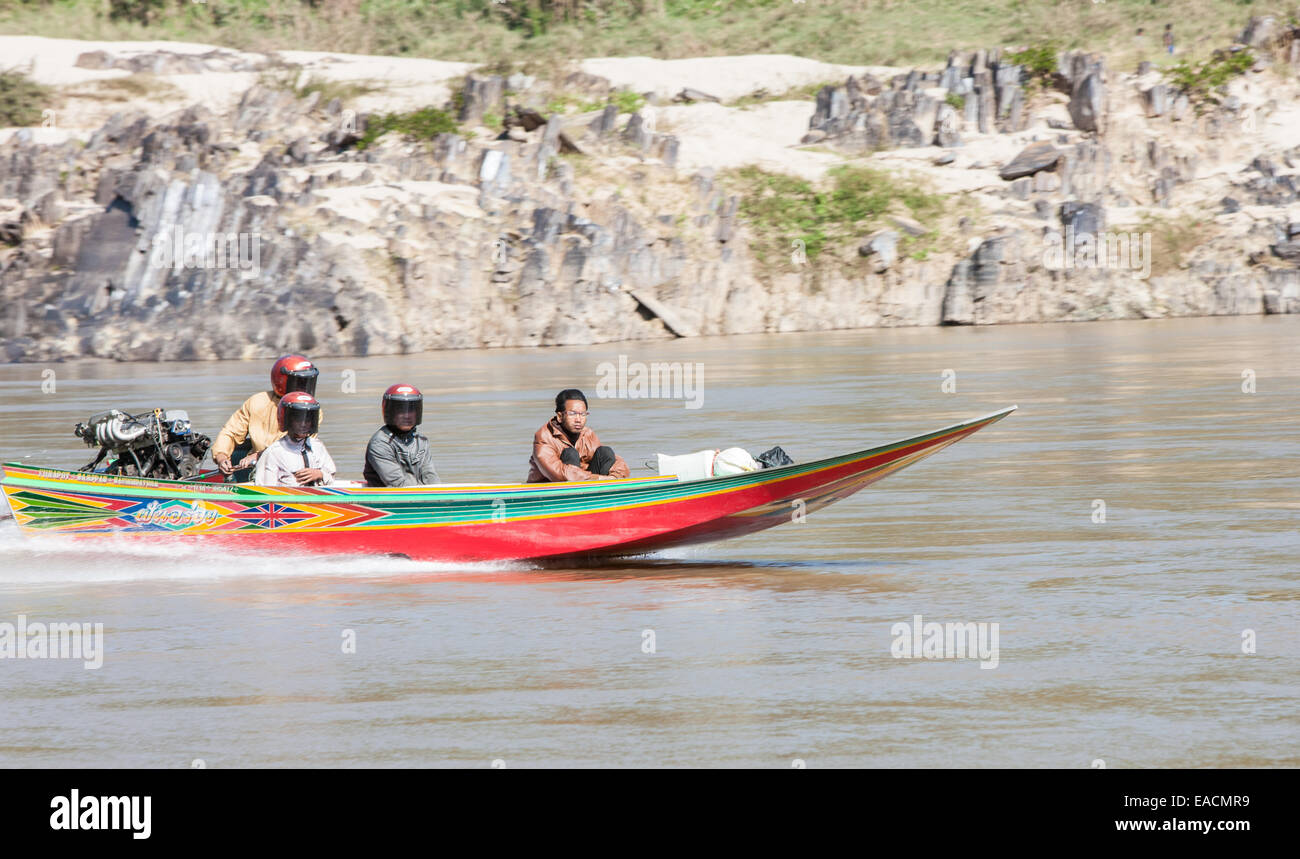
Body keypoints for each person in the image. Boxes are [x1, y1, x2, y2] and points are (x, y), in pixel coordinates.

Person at [212, 354, 319, 480]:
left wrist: (258, 455)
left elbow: (295, 445)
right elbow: (230, 432)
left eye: (307, 382)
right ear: (281, 381)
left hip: (291, 469)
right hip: (258, 469)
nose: (304, 389)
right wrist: (221, 457)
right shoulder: (257, 402)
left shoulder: (310, 408)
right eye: (300, 383)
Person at [526, 389, 629, 482]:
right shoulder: (544, 437)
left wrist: (615, 477)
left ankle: (600, 494)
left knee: (605, 452)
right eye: (572, 414)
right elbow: (558, 473)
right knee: (570, 453)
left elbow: (619, 463)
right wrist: (599, 478)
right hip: (550, 488)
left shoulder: (587, 434)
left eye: (583, 414)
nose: (578, 419)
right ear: (560, 416)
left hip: (584, 483)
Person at [363, 384, 440, 487]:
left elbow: (430, 477)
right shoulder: (380, 443)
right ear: (390, 412)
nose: (407, 415)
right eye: (401, 410)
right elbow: (397, 483)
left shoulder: (421, 441)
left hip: (416, 493)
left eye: (411, 410)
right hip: (388, 497)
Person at [254, 392, 336, 487]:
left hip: (318, 498)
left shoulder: (317, 446)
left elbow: (331, 477)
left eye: (307, 420)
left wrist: (319, 474)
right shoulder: (274, 452)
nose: (303, 424)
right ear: (288, 420)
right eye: (298, 420)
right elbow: (264, 489)